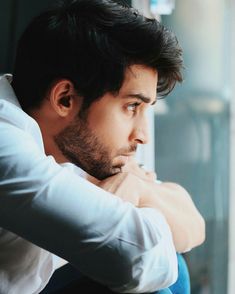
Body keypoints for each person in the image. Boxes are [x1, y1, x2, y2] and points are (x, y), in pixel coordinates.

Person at [0, 0, 205, 293]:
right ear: (65, 99)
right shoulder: (6, 146)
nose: (142, 135)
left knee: (176, 266)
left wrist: (137, 188)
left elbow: (193, 224)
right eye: (132, 106)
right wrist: (127, 201)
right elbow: (139, 258)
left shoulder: (74, 146)